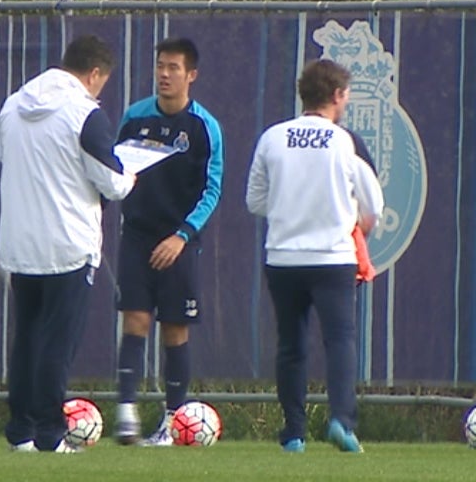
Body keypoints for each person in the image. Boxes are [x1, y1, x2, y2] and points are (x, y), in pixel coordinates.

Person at [0, 34, 136, 453]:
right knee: (57, 343)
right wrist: (130, 174)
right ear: (94, 74)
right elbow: (111, 183)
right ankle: (50, 434)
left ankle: (20, 432)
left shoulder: (12, 105)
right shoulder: (83, 113)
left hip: (20, 242)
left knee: (26, 339)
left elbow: (9, 158)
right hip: (69, 245)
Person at [246, 58, 383, 453]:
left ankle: (293, 432)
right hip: (332, 257)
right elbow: (373, 202)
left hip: (284, 256)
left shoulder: (273, 137)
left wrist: (290, 206)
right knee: (339, 340)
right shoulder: (344, 141)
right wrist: (358, 224)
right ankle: (342, 421)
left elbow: (254, 200)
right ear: (338, 96)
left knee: (291, 344)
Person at [113, 37, 223, 446]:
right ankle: (126, 412)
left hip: (179, 240)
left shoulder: (204, 127)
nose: (164, 74)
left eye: (174, 67)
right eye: (161, 66)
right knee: (136, 319)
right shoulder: (134, 116)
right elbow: (117, 170)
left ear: (191, 75)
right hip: (138, 236)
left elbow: (212, 190)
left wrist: (182, 236)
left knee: (175, 329)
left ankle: (173, 421)